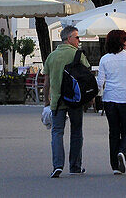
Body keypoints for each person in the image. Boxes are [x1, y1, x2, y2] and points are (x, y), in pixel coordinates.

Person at [43, 25, 89, 178]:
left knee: (57, 132)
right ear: (68, 38)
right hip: (75, 100)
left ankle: (57, 165)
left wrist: (46, 102)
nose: (79, 40)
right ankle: (75, 166)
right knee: (76, 131)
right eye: (76, 37)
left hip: (57, 100)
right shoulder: (78, 55)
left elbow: (46, 82)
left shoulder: (51, 56)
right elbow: (86, 76)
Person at [97, 29, 126, 175]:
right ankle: (123, 152)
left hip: (110, 99)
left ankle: (115, 165)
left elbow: (100, 82)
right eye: (125, 39)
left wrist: (97, 98)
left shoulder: (105, 59)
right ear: (121, 42)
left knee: (113, 131)